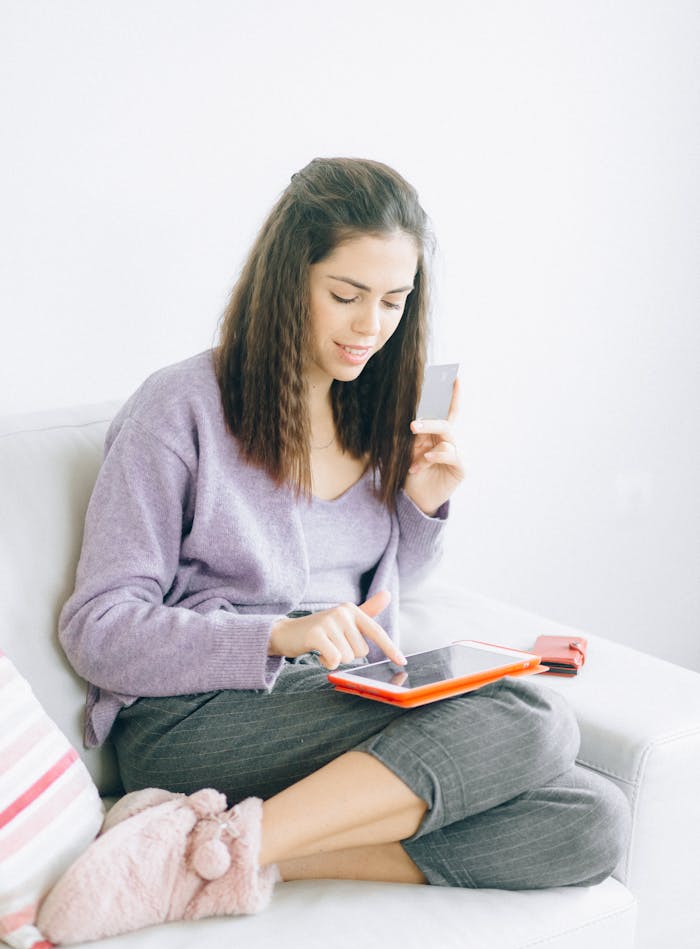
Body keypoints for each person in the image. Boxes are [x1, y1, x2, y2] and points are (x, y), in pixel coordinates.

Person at [59, 157, 629, 907]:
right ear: (286, 281)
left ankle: (221, 856)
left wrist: (420, 508)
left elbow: (374, 603)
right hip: (196, 715)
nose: (370, 327)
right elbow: (98, 630)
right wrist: (274, 638)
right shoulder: (180, 408)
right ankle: (232, 845)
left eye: (394, 302)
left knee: (590, 820)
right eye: (345, 295)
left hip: (327, 699)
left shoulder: (373, 412)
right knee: (529, 717)